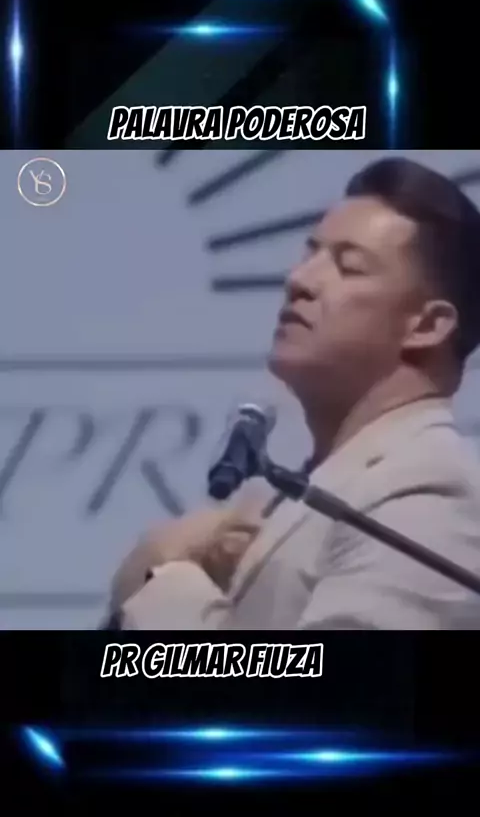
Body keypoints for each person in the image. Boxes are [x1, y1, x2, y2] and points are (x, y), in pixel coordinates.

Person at [105, 156, 480, 630]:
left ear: (427, 325)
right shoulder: (307, 491)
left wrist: (164, 578)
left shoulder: (431, 487)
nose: (299, 280)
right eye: (311, 254)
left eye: (348, 267)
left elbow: (341, 680)